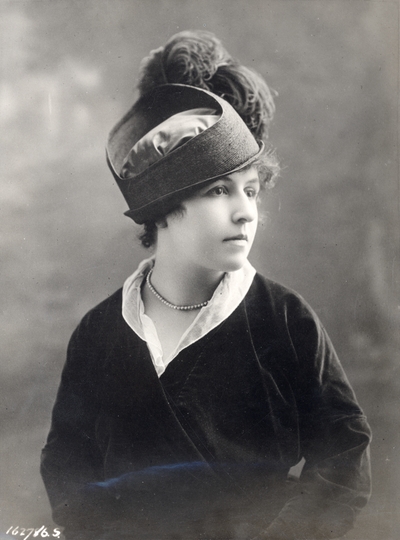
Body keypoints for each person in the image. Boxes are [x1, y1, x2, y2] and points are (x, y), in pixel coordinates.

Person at [40, 31, 372, 540]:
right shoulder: (101, 331)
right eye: (219, 190)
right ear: (164, 207)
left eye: (252, 191)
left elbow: (344, 453)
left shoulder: (284, 319)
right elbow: (66, 459)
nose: (246, 212)